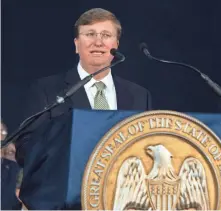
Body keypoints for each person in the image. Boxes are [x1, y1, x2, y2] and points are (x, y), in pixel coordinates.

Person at [15, 8, 152, 166]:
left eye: (106, 35)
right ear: (76, 44)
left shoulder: (140, 96)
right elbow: (25, 150)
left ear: (116, 45)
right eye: (90, 34)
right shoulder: (47, 90)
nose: (98, 42)